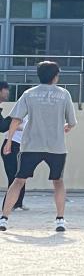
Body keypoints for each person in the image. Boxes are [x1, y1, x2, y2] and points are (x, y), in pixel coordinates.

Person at [0, 61, 77, 233]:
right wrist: (67, 127)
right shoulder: (64, 94)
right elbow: (72, 121)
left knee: (18, 180)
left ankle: (4, 218)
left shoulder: (29, 94)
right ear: (55, 76)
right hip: (56, 146)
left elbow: (16, 119)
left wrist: (9, 141)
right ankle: (60, 219)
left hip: (31, 145)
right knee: (58, 182)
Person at [0, 82, 24, 211]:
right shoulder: (20, 111)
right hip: (12, 145)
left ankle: (16, 203)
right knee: (14, 176)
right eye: (6, 89)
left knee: (19, 175)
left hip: (19, 146)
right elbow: (3, 127)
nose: (8, 92)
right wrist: (14, 117)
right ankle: (9, 205)